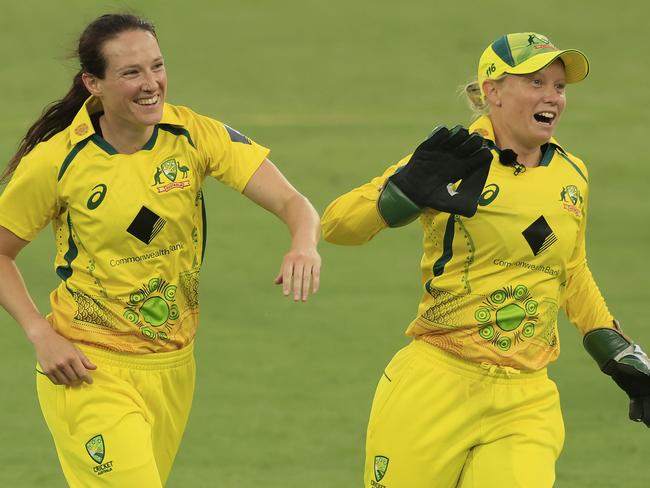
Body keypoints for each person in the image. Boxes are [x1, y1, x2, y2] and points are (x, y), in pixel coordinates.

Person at [0, 13, 321, 487]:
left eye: (156, 66)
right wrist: (39, 333)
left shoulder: (193, 135)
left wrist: (303, 242)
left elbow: (294, 203)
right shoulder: (59, 160)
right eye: (131, 73)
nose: (151, 84)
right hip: (88, 369)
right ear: (94, 83)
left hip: (172, 367)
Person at [321, 32, 650, 488]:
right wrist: (404, 192)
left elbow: (570, 269)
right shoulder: (450, 160)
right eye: (535, 82)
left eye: (559, 86)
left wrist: (617, 352)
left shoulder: (572, 175)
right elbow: (336, 227)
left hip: (526, 398)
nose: (552, 97)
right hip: (436, 384)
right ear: (492, 91)